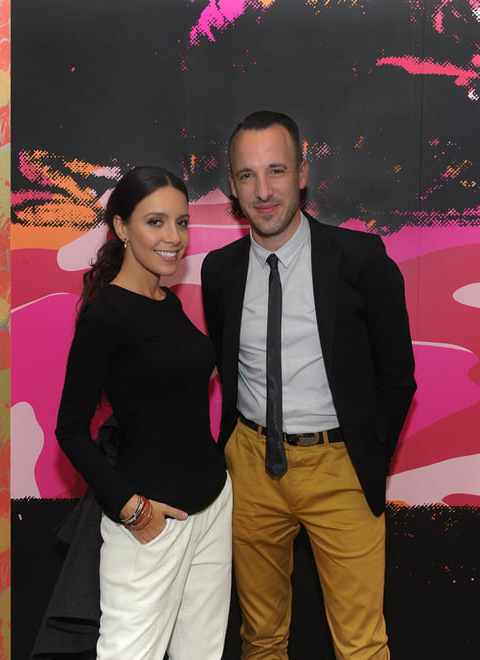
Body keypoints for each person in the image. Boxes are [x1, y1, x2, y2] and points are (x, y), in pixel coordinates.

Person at [200, 110, 417, 659]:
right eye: (247, 175)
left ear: (302, 172)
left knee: (361, 645)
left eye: (277, 170)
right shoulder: (219, 271)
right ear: (232, 185)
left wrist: (366, 454)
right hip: (249, 468)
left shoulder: (361, 260)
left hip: (339, 467)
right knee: (262, 639)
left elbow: (398, 377)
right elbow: (227, 365)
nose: (264, 190)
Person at [53, 166, 232, 659]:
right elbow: (70, 430)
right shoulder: (106, 314)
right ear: (121, 228)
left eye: (182, 222)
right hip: (151, 521)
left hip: (213, 506)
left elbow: (169, 396)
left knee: (202, 653)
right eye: (156, 222)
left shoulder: (165, 301)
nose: (173, 238)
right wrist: (131, 509)